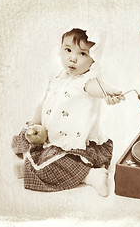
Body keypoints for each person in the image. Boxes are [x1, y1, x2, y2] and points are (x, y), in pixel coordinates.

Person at [11, 28, 125, 196]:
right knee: (23, 141)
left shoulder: (86, 81)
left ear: (94, 59)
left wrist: (109, 92)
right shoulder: (57, 76)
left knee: (63, 160)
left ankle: (90, 175)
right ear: (60, 49)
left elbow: (98, 88)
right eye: (68, 50)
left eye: (83, 54)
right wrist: (34, 124)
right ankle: (31, 166)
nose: (73, 58)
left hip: (73, 146)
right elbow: (44, 102)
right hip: (49, 137)